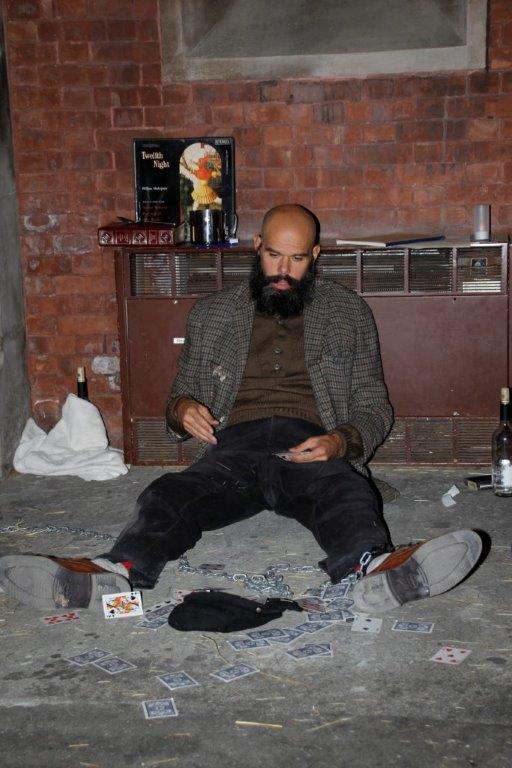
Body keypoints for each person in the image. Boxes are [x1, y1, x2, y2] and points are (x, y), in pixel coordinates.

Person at [0, 205, 483, 614]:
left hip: (309, 442)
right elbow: (180, 395)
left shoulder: (348, 313)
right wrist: (184, 409)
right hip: (233, 446)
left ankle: (374, 569)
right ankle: (115, 575)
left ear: (315, 256)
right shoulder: (213, 314)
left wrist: (340, 441)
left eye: (297, 258)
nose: (283, 270)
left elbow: (373, 405)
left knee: (346, 491)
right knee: (168, 494)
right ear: (257, 247)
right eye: (274, 255)